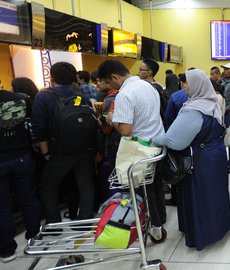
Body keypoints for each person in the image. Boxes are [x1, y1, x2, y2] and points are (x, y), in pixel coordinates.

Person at [152, 69, 230, 250]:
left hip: (200, 160)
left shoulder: (193, 110)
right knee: (216, 194)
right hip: (216, 157)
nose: (183, 85)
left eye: (187, 82)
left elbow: (174, 141)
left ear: (197, 85)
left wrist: (154, 139)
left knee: (200, 196)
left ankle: (203, 234)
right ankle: (219, 227)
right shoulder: (212, 103)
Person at [98, 59, 167, 242]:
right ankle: (159, 222)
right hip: (156, 144)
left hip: (139, 150)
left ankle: (151, 225)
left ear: (114, 77)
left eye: (109, 82)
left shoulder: (125, 94)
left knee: (142, 191)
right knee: (155, 187)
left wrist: (112, 119)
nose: (109, 87)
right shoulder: (148, 86)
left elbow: (126, 130)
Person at [31, 62, 96, 226]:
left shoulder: (43, 96)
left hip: (59, 152)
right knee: (86, 186)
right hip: (85, 150)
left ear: (52, 77)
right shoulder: (82, 96)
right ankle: (85, 220)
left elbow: (39, 128)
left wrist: (45, 153)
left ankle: (54, 224)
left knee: (48, 187)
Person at [0, 86, 41, 263]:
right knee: (28, 198)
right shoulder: (22, 98)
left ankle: (7, 250)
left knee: (2, 206)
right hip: (22, 156)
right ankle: (35, 237)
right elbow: (33, 125)